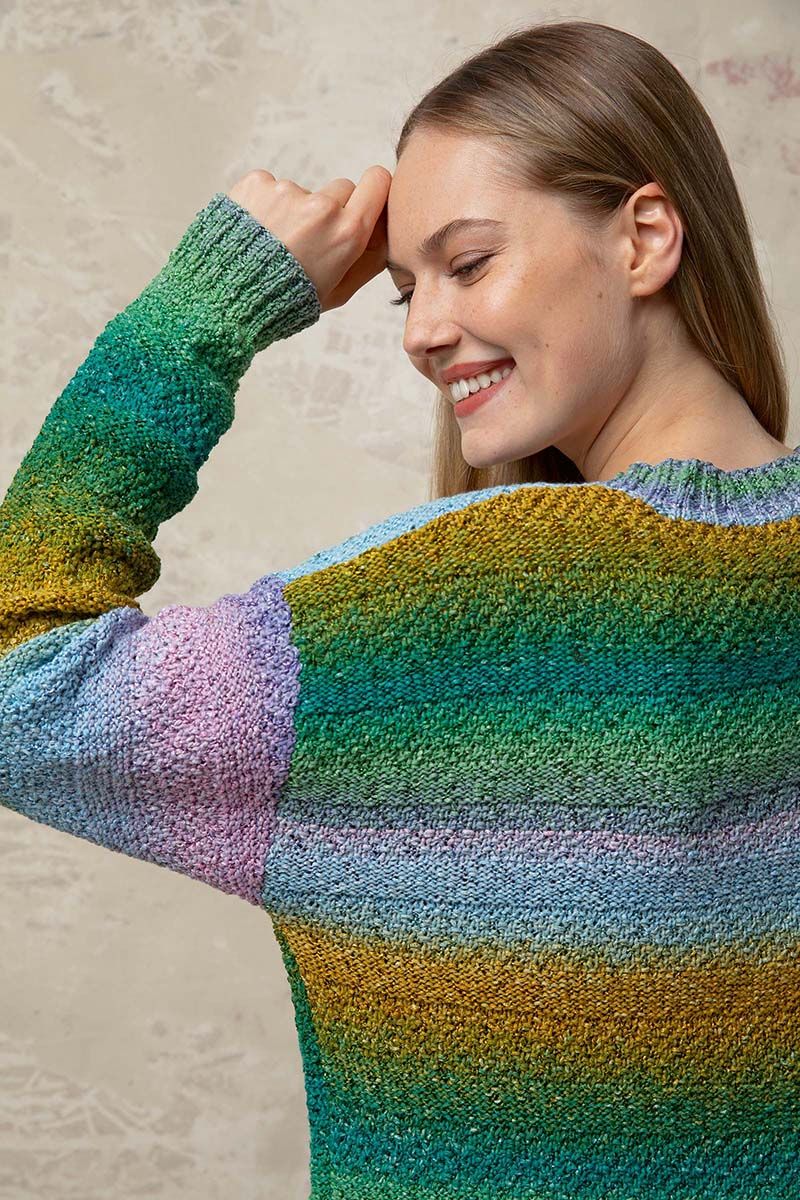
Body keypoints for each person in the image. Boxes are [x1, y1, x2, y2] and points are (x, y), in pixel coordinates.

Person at [1, 18, 798, 1198]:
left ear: (642, 238)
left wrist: (206, 311)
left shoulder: (418, 632)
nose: (422, 332)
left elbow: (17, 688)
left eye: (467, 264)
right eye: (403, 291)